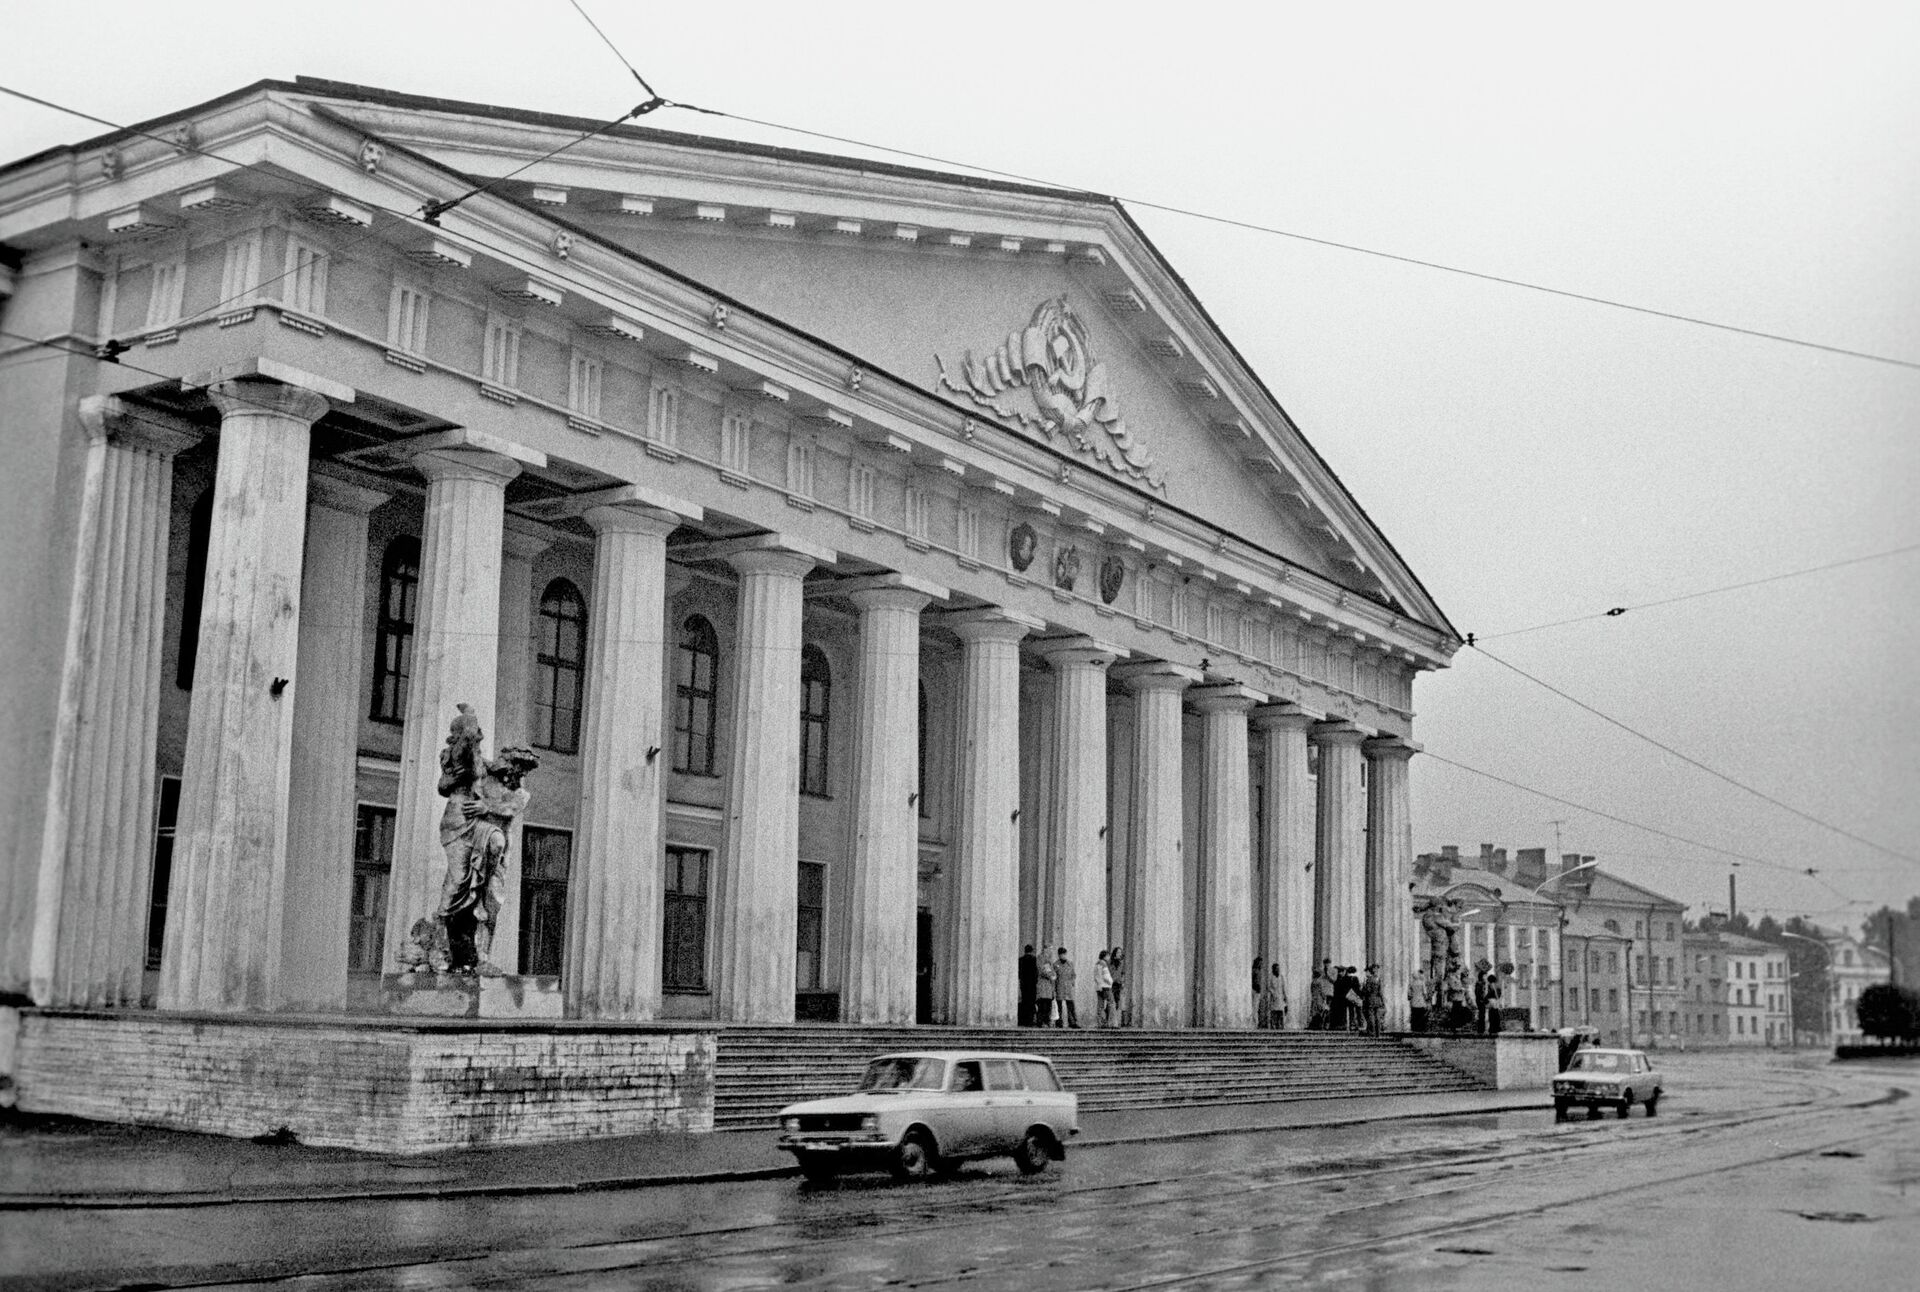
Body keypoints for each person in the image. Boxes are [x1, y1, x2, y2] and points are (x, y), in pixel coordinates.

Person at [1054, 947, 1079, 1028]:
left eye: (1064, 954)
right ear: (1059, 955)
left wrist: (1072, 982)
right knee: (1059, 1006)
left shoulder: (1070, 963)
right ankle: (1059, 1022)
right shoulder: (1055, 964)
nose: (1063, 956)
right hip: (1059, 987)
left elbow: (1073, 974)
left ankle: (1073, 1022)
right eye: (1061, 955)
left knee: (1071, 1005)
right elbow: (1054, 976)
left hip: (1068, 987)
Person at [1017, 944, 1039, 1028]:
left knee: (1024, 1001)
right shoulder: (1034, 960)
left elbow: (1019, 972)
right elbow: (1036, 973)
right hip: (1032, 985)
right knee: (1031, 1002)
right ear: (1032, 951)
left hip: (1023, 984)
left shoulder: (1020, 960)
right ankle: (1030, 1020)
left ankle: (1023, 1020)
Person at [1035, 947, 1056, 1027]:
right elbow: (1042, 971)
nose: (1051, 951)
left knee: (1047, 1005)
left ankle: (1046, 1021)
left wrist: (1053, 975)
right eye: (1050, 949)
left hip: (1049, 987)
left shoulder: (1049, 960)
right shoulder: (1041, 958)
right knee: (1042, 1005)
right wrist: (1051, 976)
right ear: (1045, 949)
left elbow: (1052, 971)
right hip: (1043, 985)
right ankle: (1041, 1022)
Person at [1264, 961, 1288, 1030]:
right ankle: (1273, 1027)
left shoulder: (1281, 977)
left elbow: (1283, 988)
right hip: (1274, 998)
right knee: (1274, 1012)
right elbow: (1268, 987)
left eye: (1278, 968)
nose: (1278, 970)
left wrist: (1285, 997)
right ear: (1273, 969)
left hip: (1280, 997)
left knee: (1280, 1013)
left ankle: (1280, 1027)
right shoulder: (1271, 977)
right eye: (1276, 968)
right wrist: (1273, 993)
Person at [1362, 964, 1384, 1036]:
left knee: (1371, 1016)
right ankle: (1378, 1033)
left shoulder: (1369, 979)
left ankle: (1372, 1032)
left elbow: (1367, 990)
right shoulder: (1379, 979)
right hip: (1378, 1000)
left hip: (1370, 999)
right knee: (1377, 1017)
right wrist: (1382, 1001)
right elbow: (1380, 992)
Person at [1094, 950, 1115, 1027]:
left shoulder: (1097, 964)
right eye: (1108, 956)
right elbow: (1106, 976)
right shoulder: (1104, 964)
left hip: (1099, 987)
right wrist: (1111, 982)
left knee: (1100, 1005)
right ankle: (1112, 1023)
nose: (1109, 958)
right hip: (1106, 986)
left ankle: (1101, 1022)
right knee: (1111, 1003)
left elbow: (1096, 976)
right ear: (1105, 956)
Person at [1309, 961, 1332, 1030]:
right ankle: (1320, 1025)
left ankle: (1315, 1025)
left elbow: (1312, 991)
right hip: (1319, 999)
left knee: (1315, 1012)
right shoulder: (1319, 982)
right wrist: (1324, 997)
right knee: (1320, 1012)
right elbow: (1322, 991)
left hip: (1314, 998)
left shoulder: (1313, 982)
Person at [1108, 946, 1126, 1026]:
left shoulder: (1121, 964)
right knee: (1111, 1003)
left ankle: (1113, 1021)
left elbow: (1122, 974)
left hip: (1118, 984)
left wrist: (1122, 982)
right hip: (1111, 984)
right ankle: (1113, 1022)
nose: (1120, 954)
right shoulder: (1110, 963)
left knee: (1117, 1003)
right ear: (1115, 953)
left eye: (1120, 952)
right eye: (1118, 952)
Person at [1407, 968, 1430, 1034]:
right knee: (1421, 1015)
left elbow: (1409, 995)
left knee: (1414, 1015)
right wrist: (1426, 1000)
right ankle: (1421, 1028)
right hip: (1421, 1001)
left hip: (1414, 1002)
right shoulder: (1422, 983)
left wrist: (1410, 998)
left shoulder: (1411, 983)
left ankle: (1414, 1028)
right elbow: (1425, 993)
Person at [1485, 965, 1505, 1034]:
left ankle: (1492, 1028)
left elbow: (1490, 993)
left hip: (1491, 1001)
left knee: (1492, 1014)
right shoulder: (1497, 985)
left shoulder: (1491, 985)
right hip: (1496, 1001)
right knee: (1496, 1014)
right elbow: (1499, 993)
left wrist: (1486, 998)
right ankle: (1497, 1027)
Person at [1252, 956, 1265, 1025]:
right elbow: (1253, 981)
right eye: (1260, 963)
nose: (1261, 965)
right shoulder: (1254, 971)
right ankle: (1255, 1022)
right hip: (1255, 990)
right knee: (1254, 1007)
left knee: (1256, 1007)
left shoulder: (1259, 971)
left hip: (1258, 991)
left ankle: (1256, 1022)